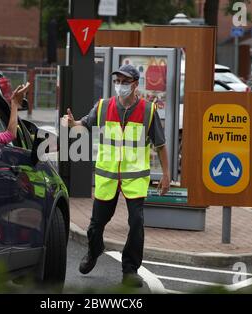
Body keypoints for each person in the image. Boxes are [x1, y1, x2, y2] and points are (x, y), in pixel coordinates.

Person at [62, 64, 170, 288]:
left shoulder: (148, 111)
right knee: (95, 225)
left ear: (134, 85)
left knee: (137, 222)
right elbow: (84, 124)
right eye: (117, 81)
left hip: (135, 177)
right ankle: (94, 251)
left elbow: (160, 145)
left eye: (125, 81)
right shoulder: (103, 106)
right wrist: (73, 124)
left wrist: (167, 174)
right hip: (107, 175)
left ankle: (130, 270)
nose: (120, 85)